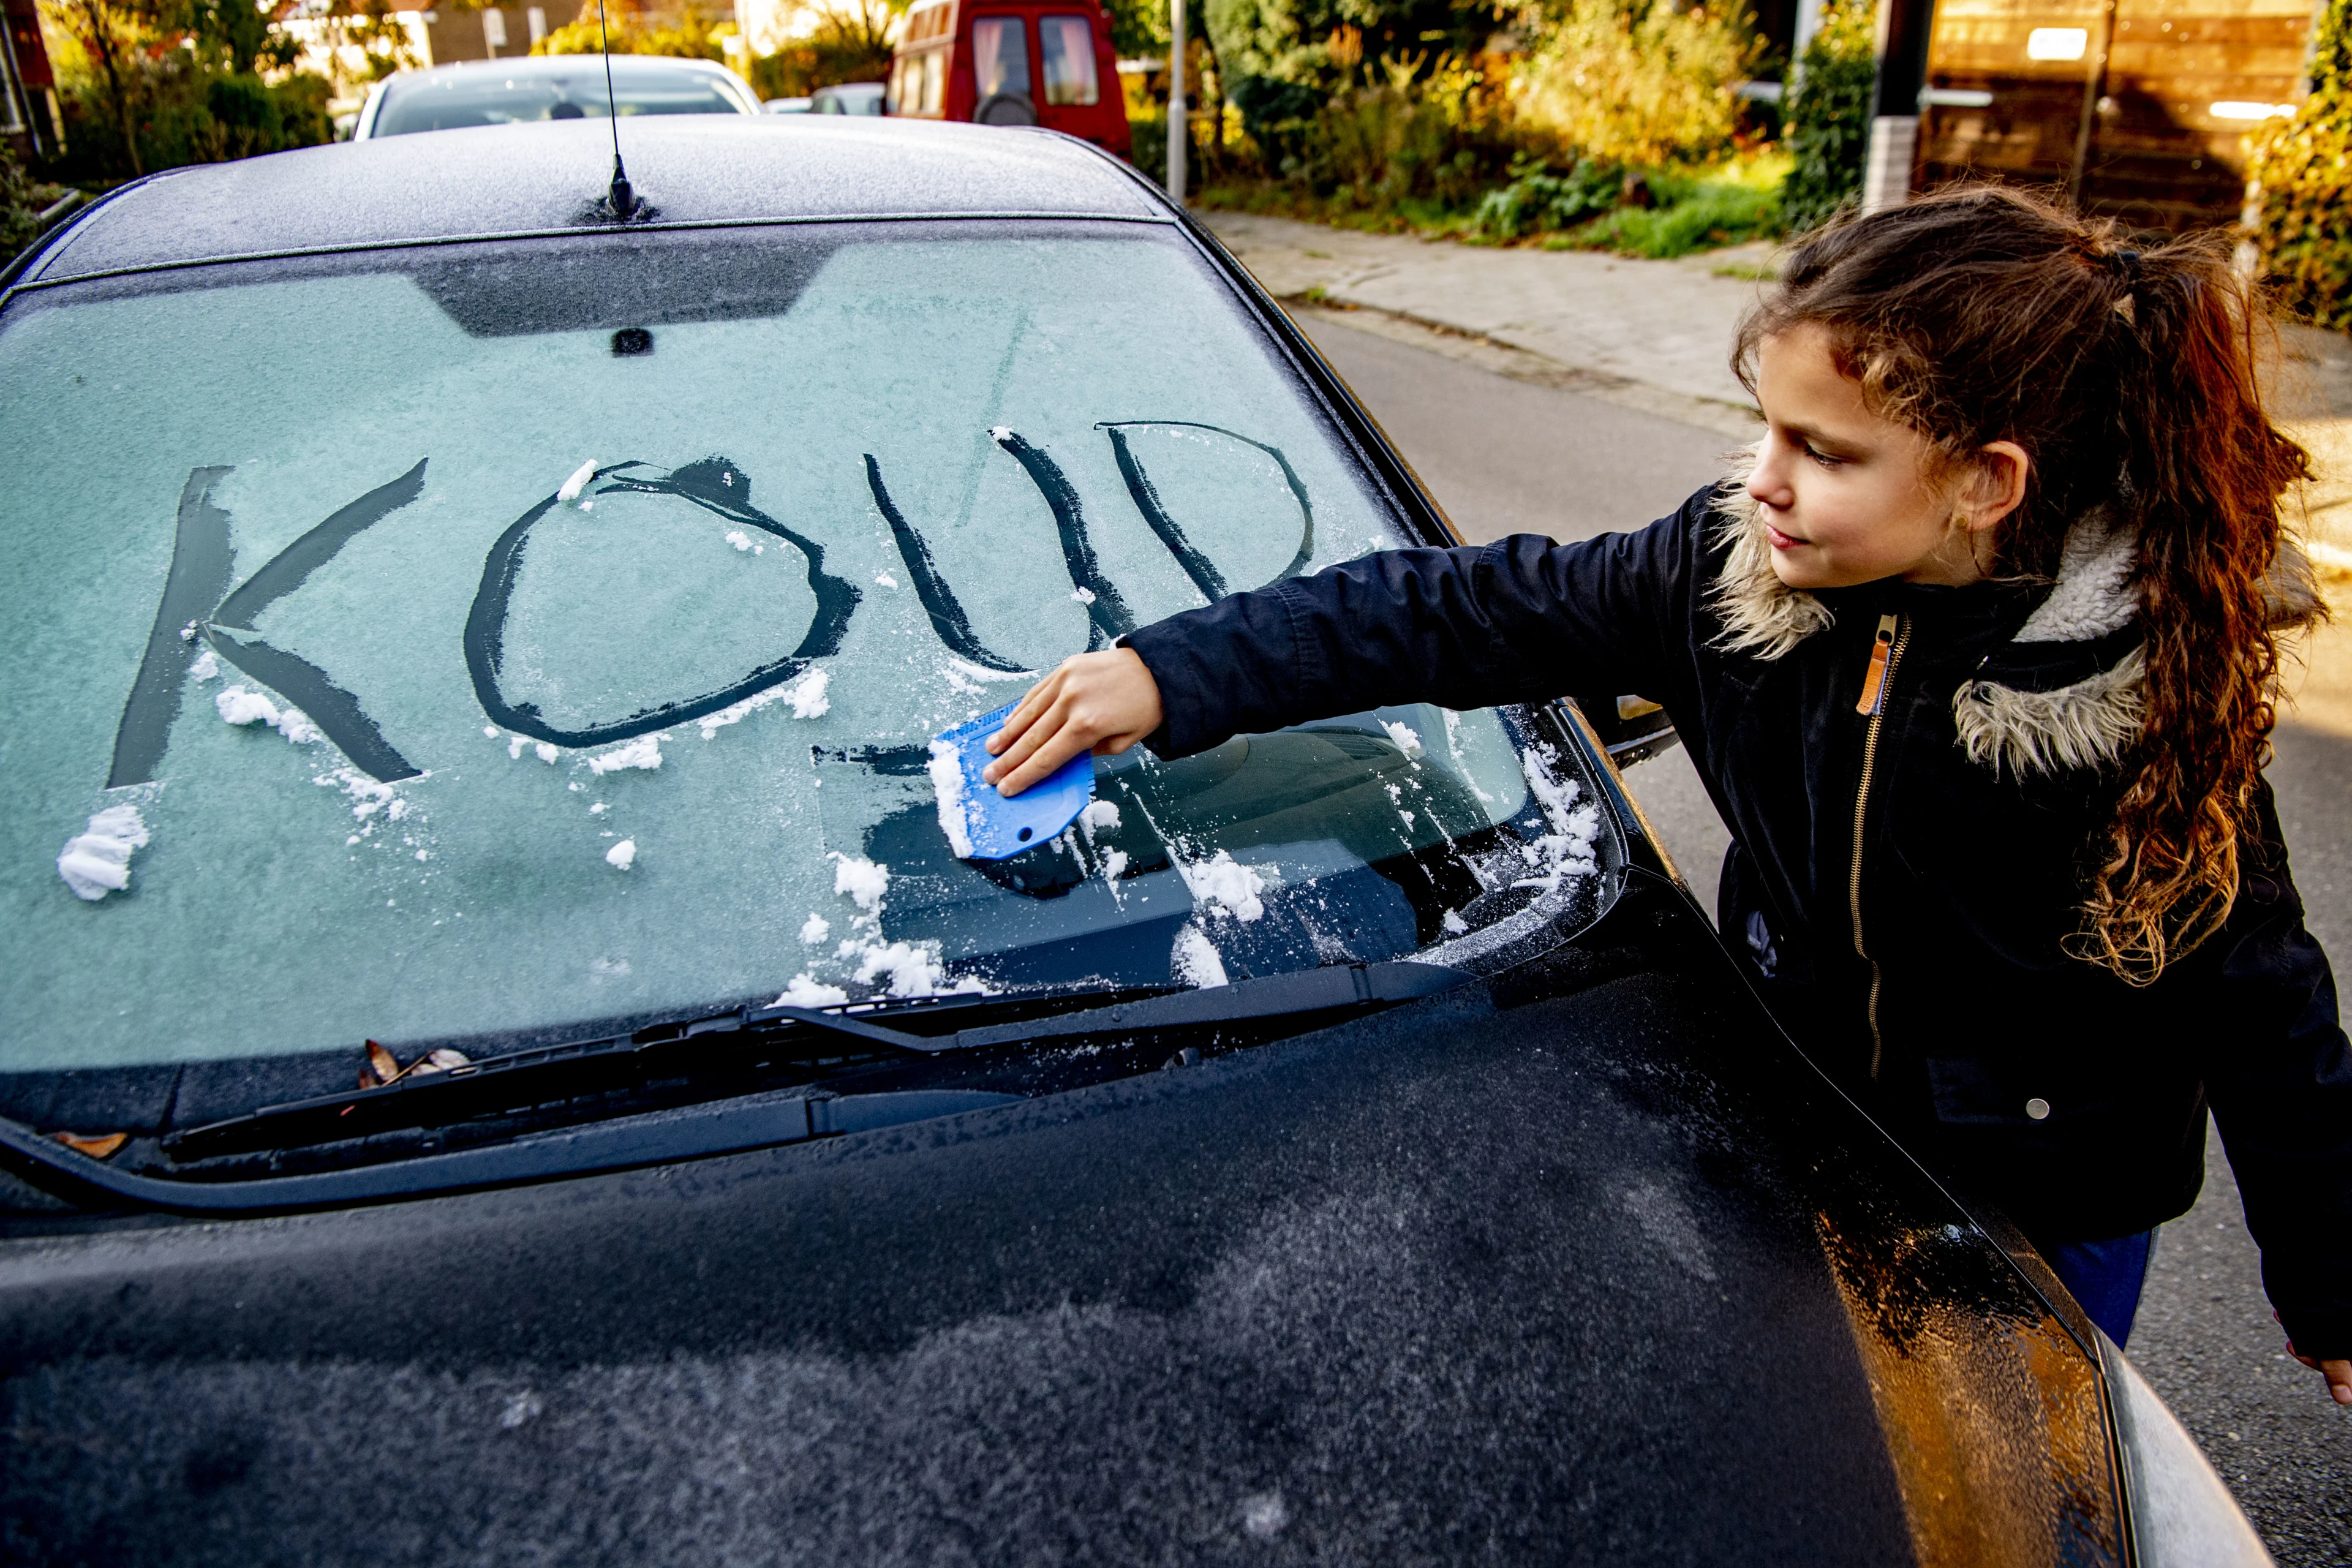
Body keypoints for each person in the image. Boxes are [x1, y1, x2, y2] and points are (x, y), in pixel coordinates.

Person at [980, 184, 2352, 1400]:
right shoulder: (1719, 581)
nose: (1763, 481)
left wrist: (2332, 1287)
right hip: (1802, 1120)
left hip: (2048, 1193)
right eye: (1765, 427)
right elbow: (1459, 611)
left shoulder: (2135, 693)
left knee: (2014, 1473)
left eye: (1825, 450)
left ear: (1988, 483)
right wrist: (1173, 672)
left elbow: (2263, 999)